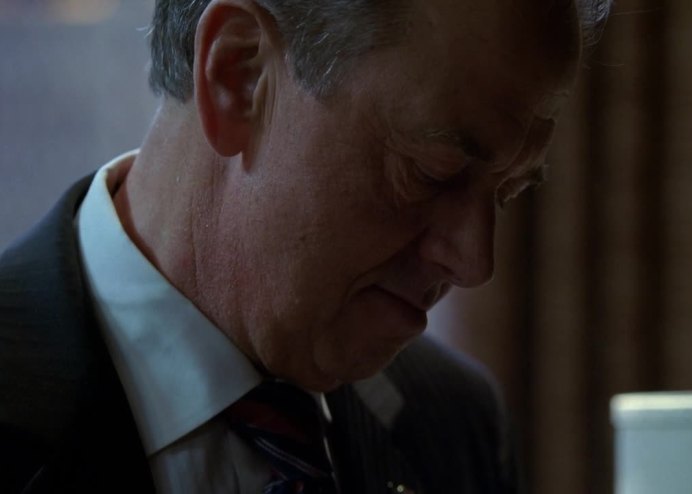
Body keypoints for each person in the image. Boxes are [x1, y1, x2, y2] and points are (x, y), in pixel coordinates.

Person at [0, 0, 610, 492]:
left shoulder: (456, 425)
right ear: (238, 75)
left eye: (506, 192)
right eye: (431, 173)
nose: (475, 262)